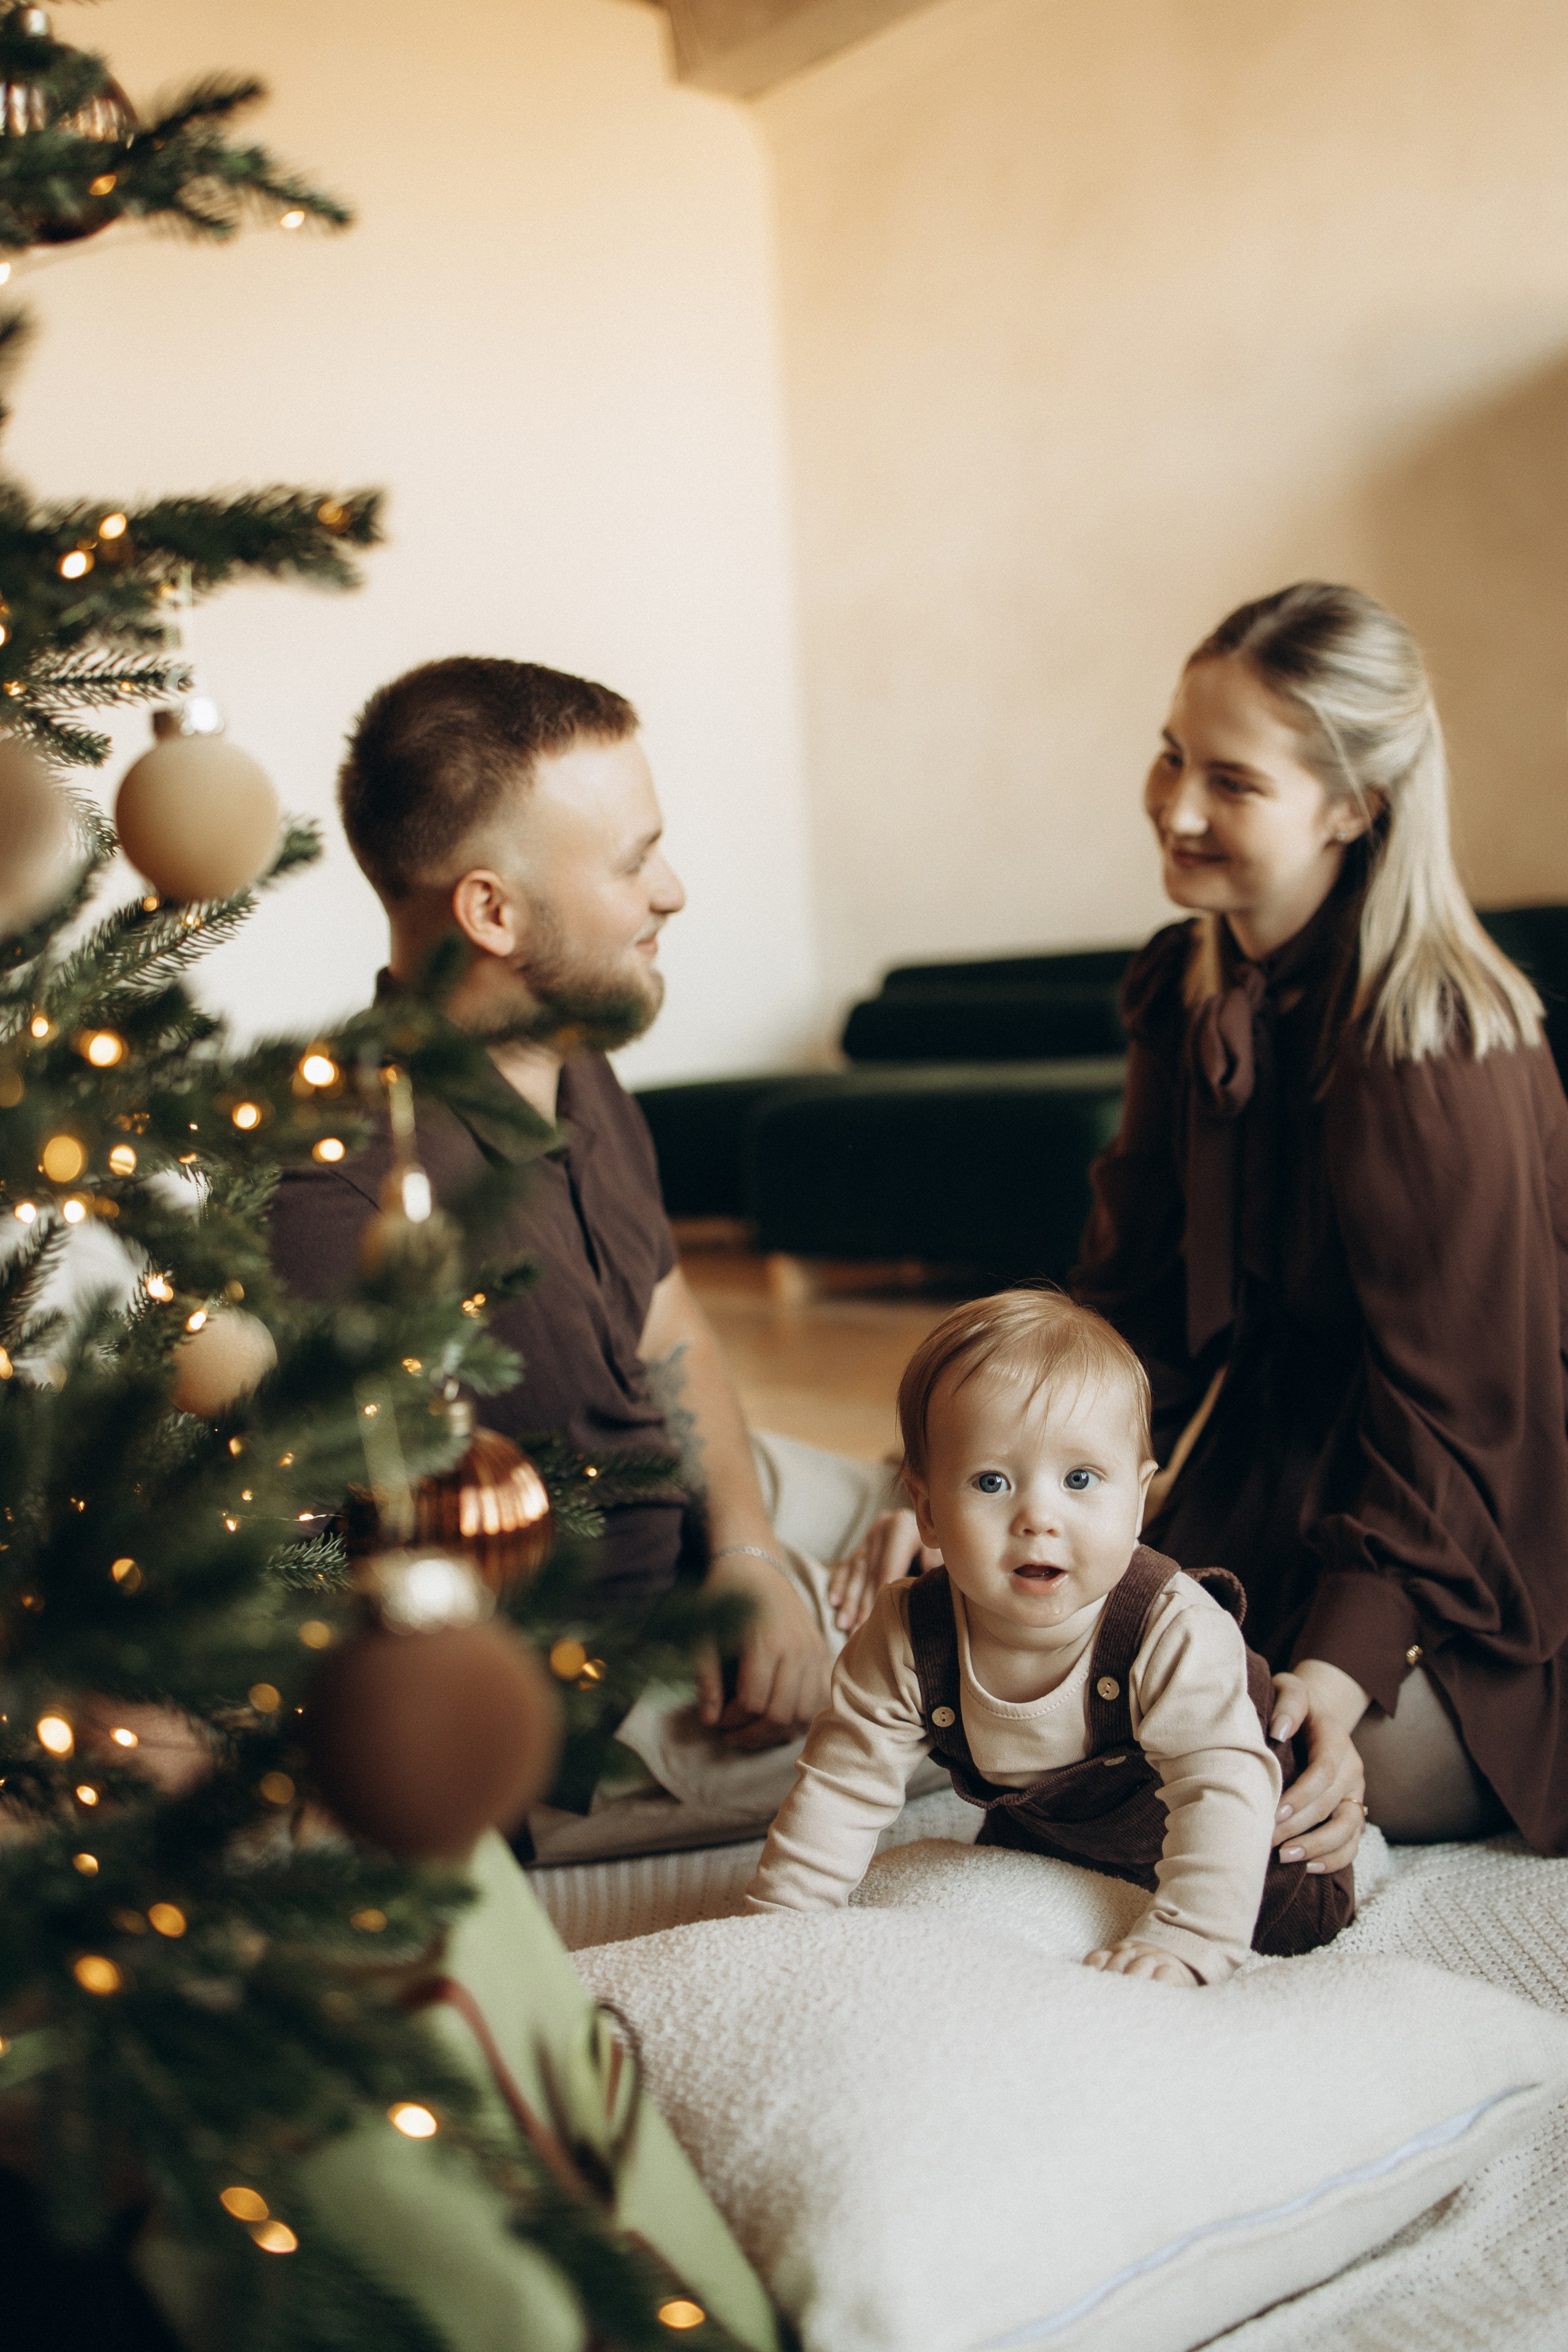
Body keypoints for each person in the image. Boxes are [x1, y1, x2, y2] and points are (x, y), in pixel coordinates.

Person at [270, 657, 900, 1830]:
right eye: (631, 862)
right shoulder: (344, 1201)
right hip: (598, 1682)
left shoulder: (568, 1051)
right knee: (1022, 1679)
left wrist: (748, 1552)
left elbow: (666, 1322)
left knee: (973, 1503)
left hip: (694, 1511)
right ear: (492, 913)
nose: (673, 891)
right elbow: (327, 1603)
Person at [748, 1290, 1353, 1980]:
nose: (1038, 1516)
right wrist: (778, 1925)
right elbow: (840, 1788)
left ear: (1137, 1500)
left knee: (1286, 1918)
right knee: (991, 1916)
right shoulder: (907, 1637)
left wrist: (1186, 1941)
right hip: (1050, 1846)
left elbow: (1221, 1786)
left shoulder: (1174, 1628)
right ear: (927, 1510)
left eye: (1080, 1478)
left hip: (1257, 1852)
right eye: (991, 1481)